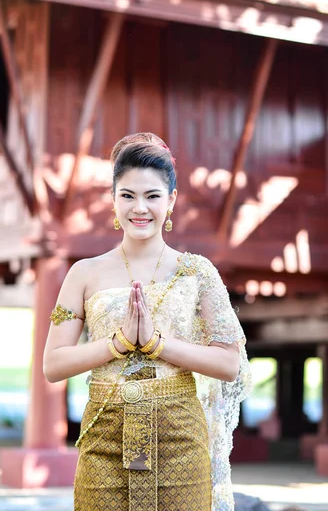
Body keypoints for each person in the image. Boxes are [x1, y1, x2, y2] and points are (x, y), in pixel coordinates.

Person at [43, 132, 252, 511]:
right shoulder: (83, 273)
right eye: (128, 195)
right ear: (113, 199)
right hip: (104, 436)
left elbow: (229, 363)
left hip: (180, 440)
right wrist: (116, 344)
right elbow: (53, 365)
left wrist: (157, 343)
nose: (140, 208)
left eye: (152, 196)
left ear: (171, 200)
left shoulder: (197, 273)